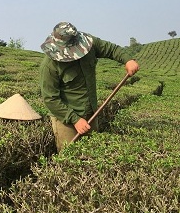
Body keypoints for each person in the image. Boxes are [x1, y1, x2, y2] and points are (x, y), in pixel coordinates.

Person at [40, 21, 139, 152]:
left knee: (93, 154)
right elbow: (50, 99)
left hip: (91, 113)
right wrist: (75, 120)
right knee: (70, 160)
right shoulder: (49, 66)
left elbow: (112, 49)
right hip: (66, 121)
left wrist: (128, 60)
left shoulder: (90, 44)